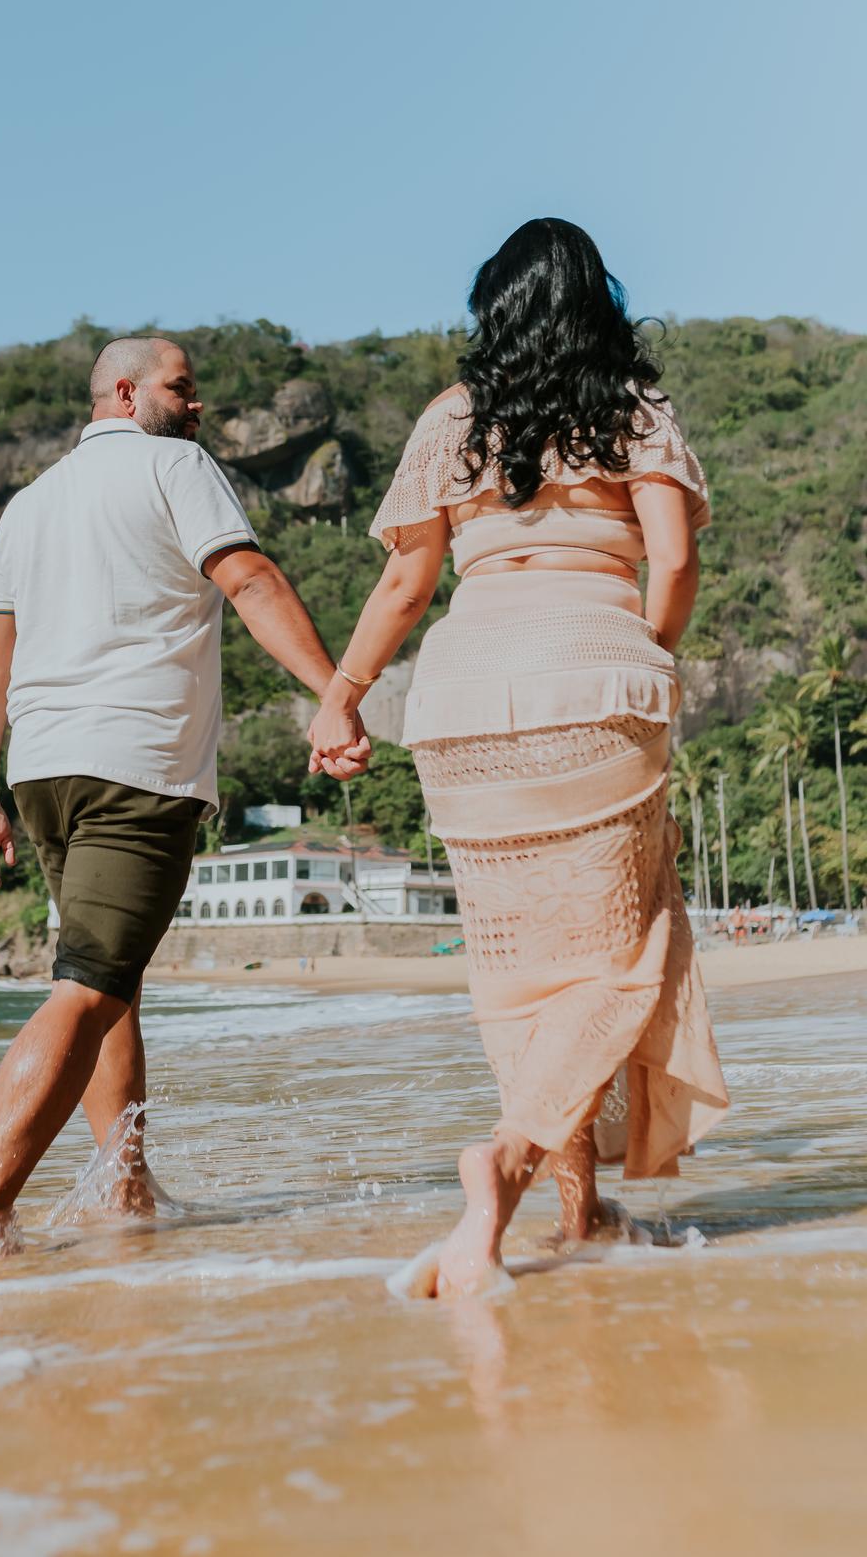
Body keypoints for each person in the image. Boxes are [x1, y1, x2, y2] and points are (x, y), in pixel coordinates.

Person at [309, 219, 730, 1296]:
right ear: (599, 301)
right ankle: (503, 1159)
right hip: (592, 679)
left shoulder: (454, 420)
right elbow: (672, 560)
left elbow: (405, 585)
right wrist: (645, 657)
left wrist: (342, 697)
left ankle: (578, 1217)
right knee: (619, 954)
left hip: (459, 702)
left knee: (518, 968)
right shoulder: (633, 410)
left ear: (493, 309)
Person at [0, 335, 368, 1253]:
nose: (197, 404)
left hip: (43, 772)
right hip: (137, 766)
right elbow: (247, 577)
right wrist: (335, 694)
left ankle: (122, 1190)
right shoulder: (175, 465)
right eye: (184, 386)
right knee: (87, 988)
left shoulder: (30, 505)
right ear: (125, 392)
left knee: (109, 982)